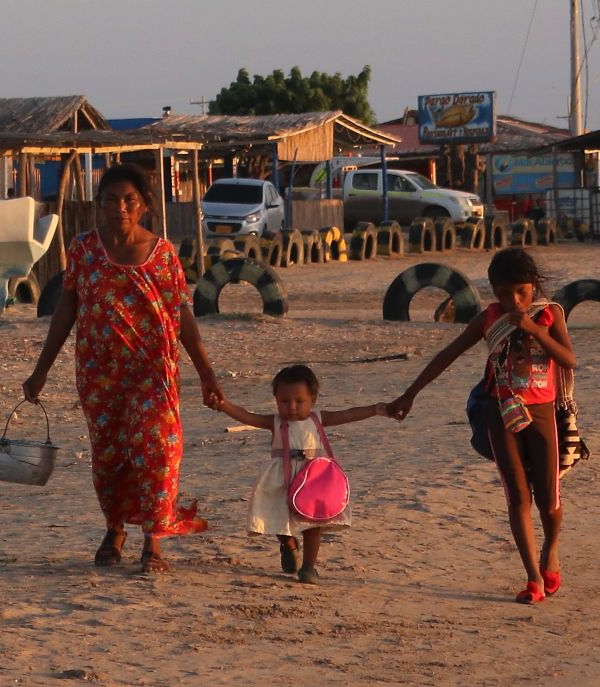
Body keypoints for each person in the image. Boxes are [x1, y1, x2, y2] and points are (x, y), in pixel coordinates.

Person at [23, 163, 223, 573]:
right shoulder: (83, 250)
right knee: (110, 457)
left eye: (130, 200)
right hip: (100, 375)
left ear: (145, 206)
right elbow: (66, 311)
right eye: (111, 200)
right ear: (99, 206)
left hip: (154, 373)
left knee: (158, 451)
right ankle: (114, 529)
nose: (120, 208)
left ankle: (154, 542)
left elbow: (182, 316)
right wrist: (41, 369)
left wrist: (207, 373)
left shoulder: (164, 255)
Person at [388, 248, 576, 604]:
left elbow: (569, 359)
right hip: (499, 412)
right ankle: (533, 580)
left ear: (534, 286)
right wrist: (410, 394)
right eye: (504, 294)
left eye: (520, 292)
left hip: (542, 413)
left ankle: (550, 551)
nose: (513, 301)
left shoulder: (549, 315)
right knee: (518, 497)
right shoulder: (489, 318)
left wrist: (536, 330)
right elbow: (447, 355)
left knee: (548, 499)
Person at [211, 364, 390, 585]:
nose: (291, 407)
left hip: (313, 479)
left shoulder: (317, 419)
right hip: (281, 479)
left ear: (313, 399)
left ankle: (308, 568)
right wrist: (223, 405)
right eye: (284, 401)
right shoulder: (275, 422)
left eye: (299, 401)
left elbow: (347, 414)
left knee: (314, 524)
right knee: (276, 514)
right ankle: (288, 543)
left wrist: (375, 409)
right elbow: (247, 416)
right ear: (276, 399)